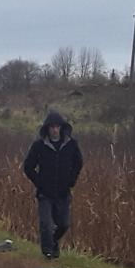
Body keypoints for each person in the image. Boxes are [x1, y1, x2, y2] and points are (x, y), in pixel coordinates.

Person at [22, 110, 84, 260]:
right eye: (52, 127)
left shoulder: (71, 144)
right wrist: (39, 183)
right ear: (47, 129)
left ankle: (54, 241)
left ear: (62, 128)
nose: (55, 130)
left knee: (63, 224)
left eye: (57, 127)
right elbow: (28, 167)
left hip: (63, 192)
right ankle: (48, 251)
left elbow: (79, 163)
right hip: (45, 193)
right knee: (46, 224)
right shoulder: (39, 145)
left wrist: (71, 180)